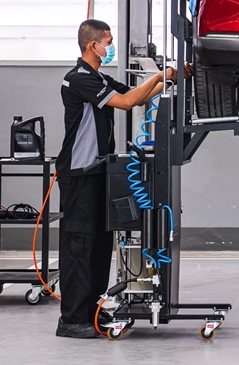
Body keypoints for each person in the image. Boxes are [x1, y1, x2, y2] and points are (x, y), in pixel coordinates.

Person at [55, 19, 177, 339]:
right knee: (79, 246)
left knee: (99, 246)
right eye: (108, 42)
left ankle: (93, 312)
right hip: (79, 175)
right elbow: (127, 103)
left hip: (99, 171)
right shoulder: (78, 78)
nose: (110, 47)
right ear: (92, 45)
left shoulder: (99, 77)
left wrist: (172, 78)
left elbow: (138, 95)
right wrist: (159, 77)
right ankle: (71, 319)